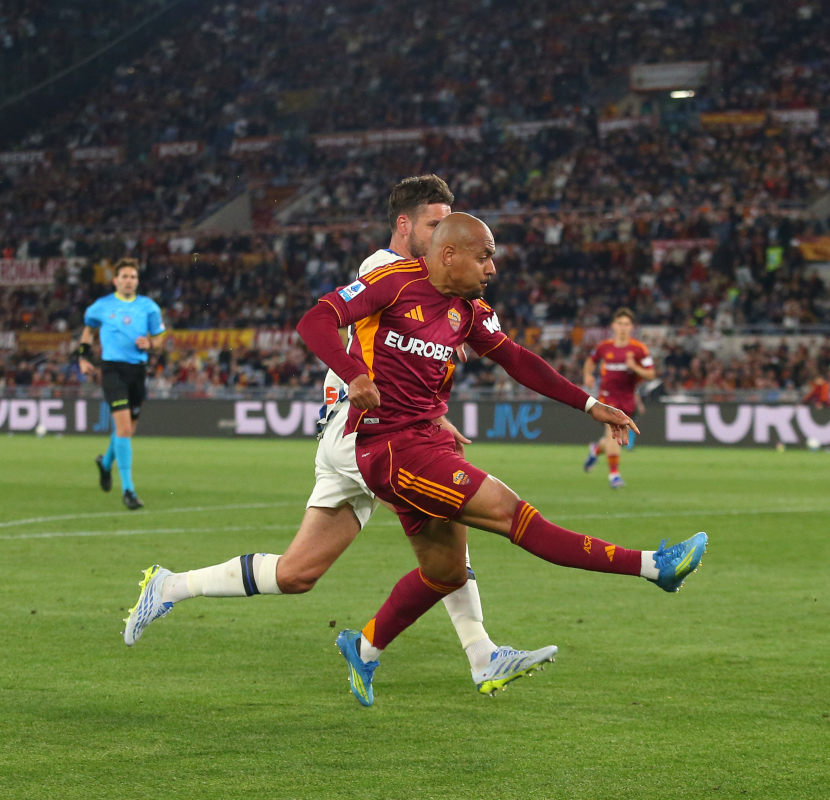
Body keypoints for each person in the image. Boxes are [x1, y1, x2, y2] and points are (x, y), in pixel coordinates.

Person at [121, 176, 557, 696]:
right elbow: (367, 342)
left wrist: (430, 410)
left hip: (350, 436)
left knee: (297, 574)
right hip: (362, 432)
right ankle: (481, 656)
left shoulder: (430, 283)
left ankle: (170, 585)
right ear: (404, 225)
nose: (446, 234)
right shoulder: (384, 269)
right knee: (445, 517)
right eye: (434, 224)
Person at [296, 212, 707, 706]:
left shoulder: (468, 310)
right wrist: (353, 373)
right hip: (391, 448)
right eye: (484, 256)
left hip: (428, 440)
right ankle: (653, 567)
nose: (492, 268)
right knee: (514, 515)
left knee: (446, 573)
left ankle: (363, 647)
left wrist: (590, 405)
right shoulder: (392, 282)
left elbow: (516, 359)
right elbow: (315, 320)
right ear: (449, 254)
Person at [79, 259, 165, 509]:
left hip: (137, 371)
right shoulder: (101, 306)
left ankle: (105, 463)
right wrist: (83, 358)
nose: (129, 281)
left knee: (127, 429)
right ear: (115, 280)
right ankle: (129, 490)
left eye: (133, 277)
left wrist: (151, 344)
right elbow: (88, 330)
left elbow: (160, 338)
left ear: (137, 281)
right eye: (125, 276)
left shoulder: (148, 307)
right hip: (112, 370)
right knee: (125, 428)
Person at [581, 308, 655, 488]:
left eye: (626, 324)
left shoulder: (639, 349)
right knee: (612, 433)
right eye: (620, 323)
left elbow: (651, 374)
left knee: (614, 437)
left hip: (628, 399)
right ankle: (614, 475)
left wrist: (634, 367)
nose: (623, 327)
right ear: (613, 326)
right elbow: (590, 361)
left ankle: (596, 449)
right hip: (606, 398)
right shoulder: (604, 346)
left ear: (632, 327)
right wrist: (588, 375)